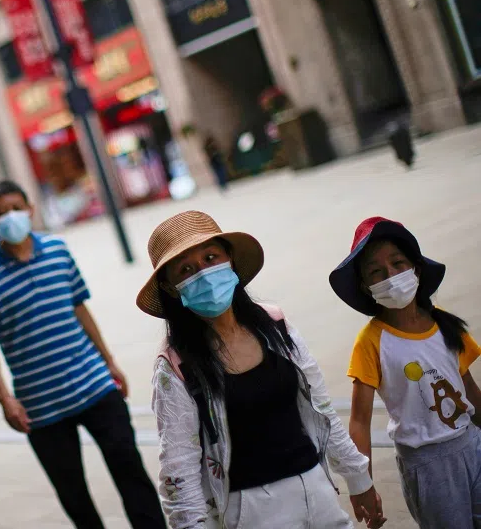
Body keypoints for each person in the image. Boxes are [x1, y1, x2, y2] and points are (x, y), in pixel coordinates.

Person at [139, 211, 384, 529]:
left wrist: (358, 479)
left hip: (318, 493)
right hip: (251, 512)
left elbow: (321, 410)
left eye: (211, 257)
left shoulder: (276, 326)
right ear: (172, 288)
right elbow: (178, 472)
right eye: (186, 269)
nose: (204, 273)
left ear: (230, 260)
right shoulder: (175, 368)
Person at [0, 180, 164, 529]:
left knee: (131, 471)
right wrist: (5, 398)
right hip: (41, 406)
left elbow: (80, 307)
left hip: (93, 383)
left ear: (30, 209)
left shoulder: (58, 250)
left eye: (16, 208)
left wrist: (109, 361)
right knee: (73, 495)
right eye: (1, 214)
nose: (11, 217)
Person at [331, 217, 481, 529]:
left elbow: (471, 393)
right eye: (376, 271)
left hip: (472, 443)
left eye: (398, 263)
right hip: (427, 465)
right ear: (365, 285)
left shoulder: (445, 325)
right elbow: (359, 420)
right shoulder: (371, 341)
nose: (391, 276)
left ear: (416, 268)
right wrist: (363, 484)